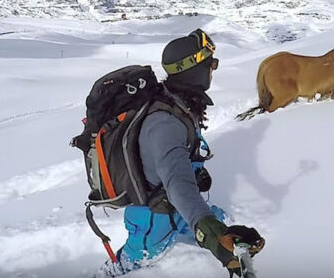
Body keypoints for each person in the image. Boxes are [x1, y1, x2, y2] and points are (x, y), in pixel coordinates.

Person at [98, 29, 265, 277]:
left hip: (177, 205)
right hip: (153, 218)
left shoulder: (177, 101)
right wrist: (210, 232)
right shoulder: (166, 123)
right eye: (212, 64)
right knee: (131, 264)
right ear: (194, 70)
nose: (213, 70)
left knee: (217, 219)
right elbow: (177, 183)